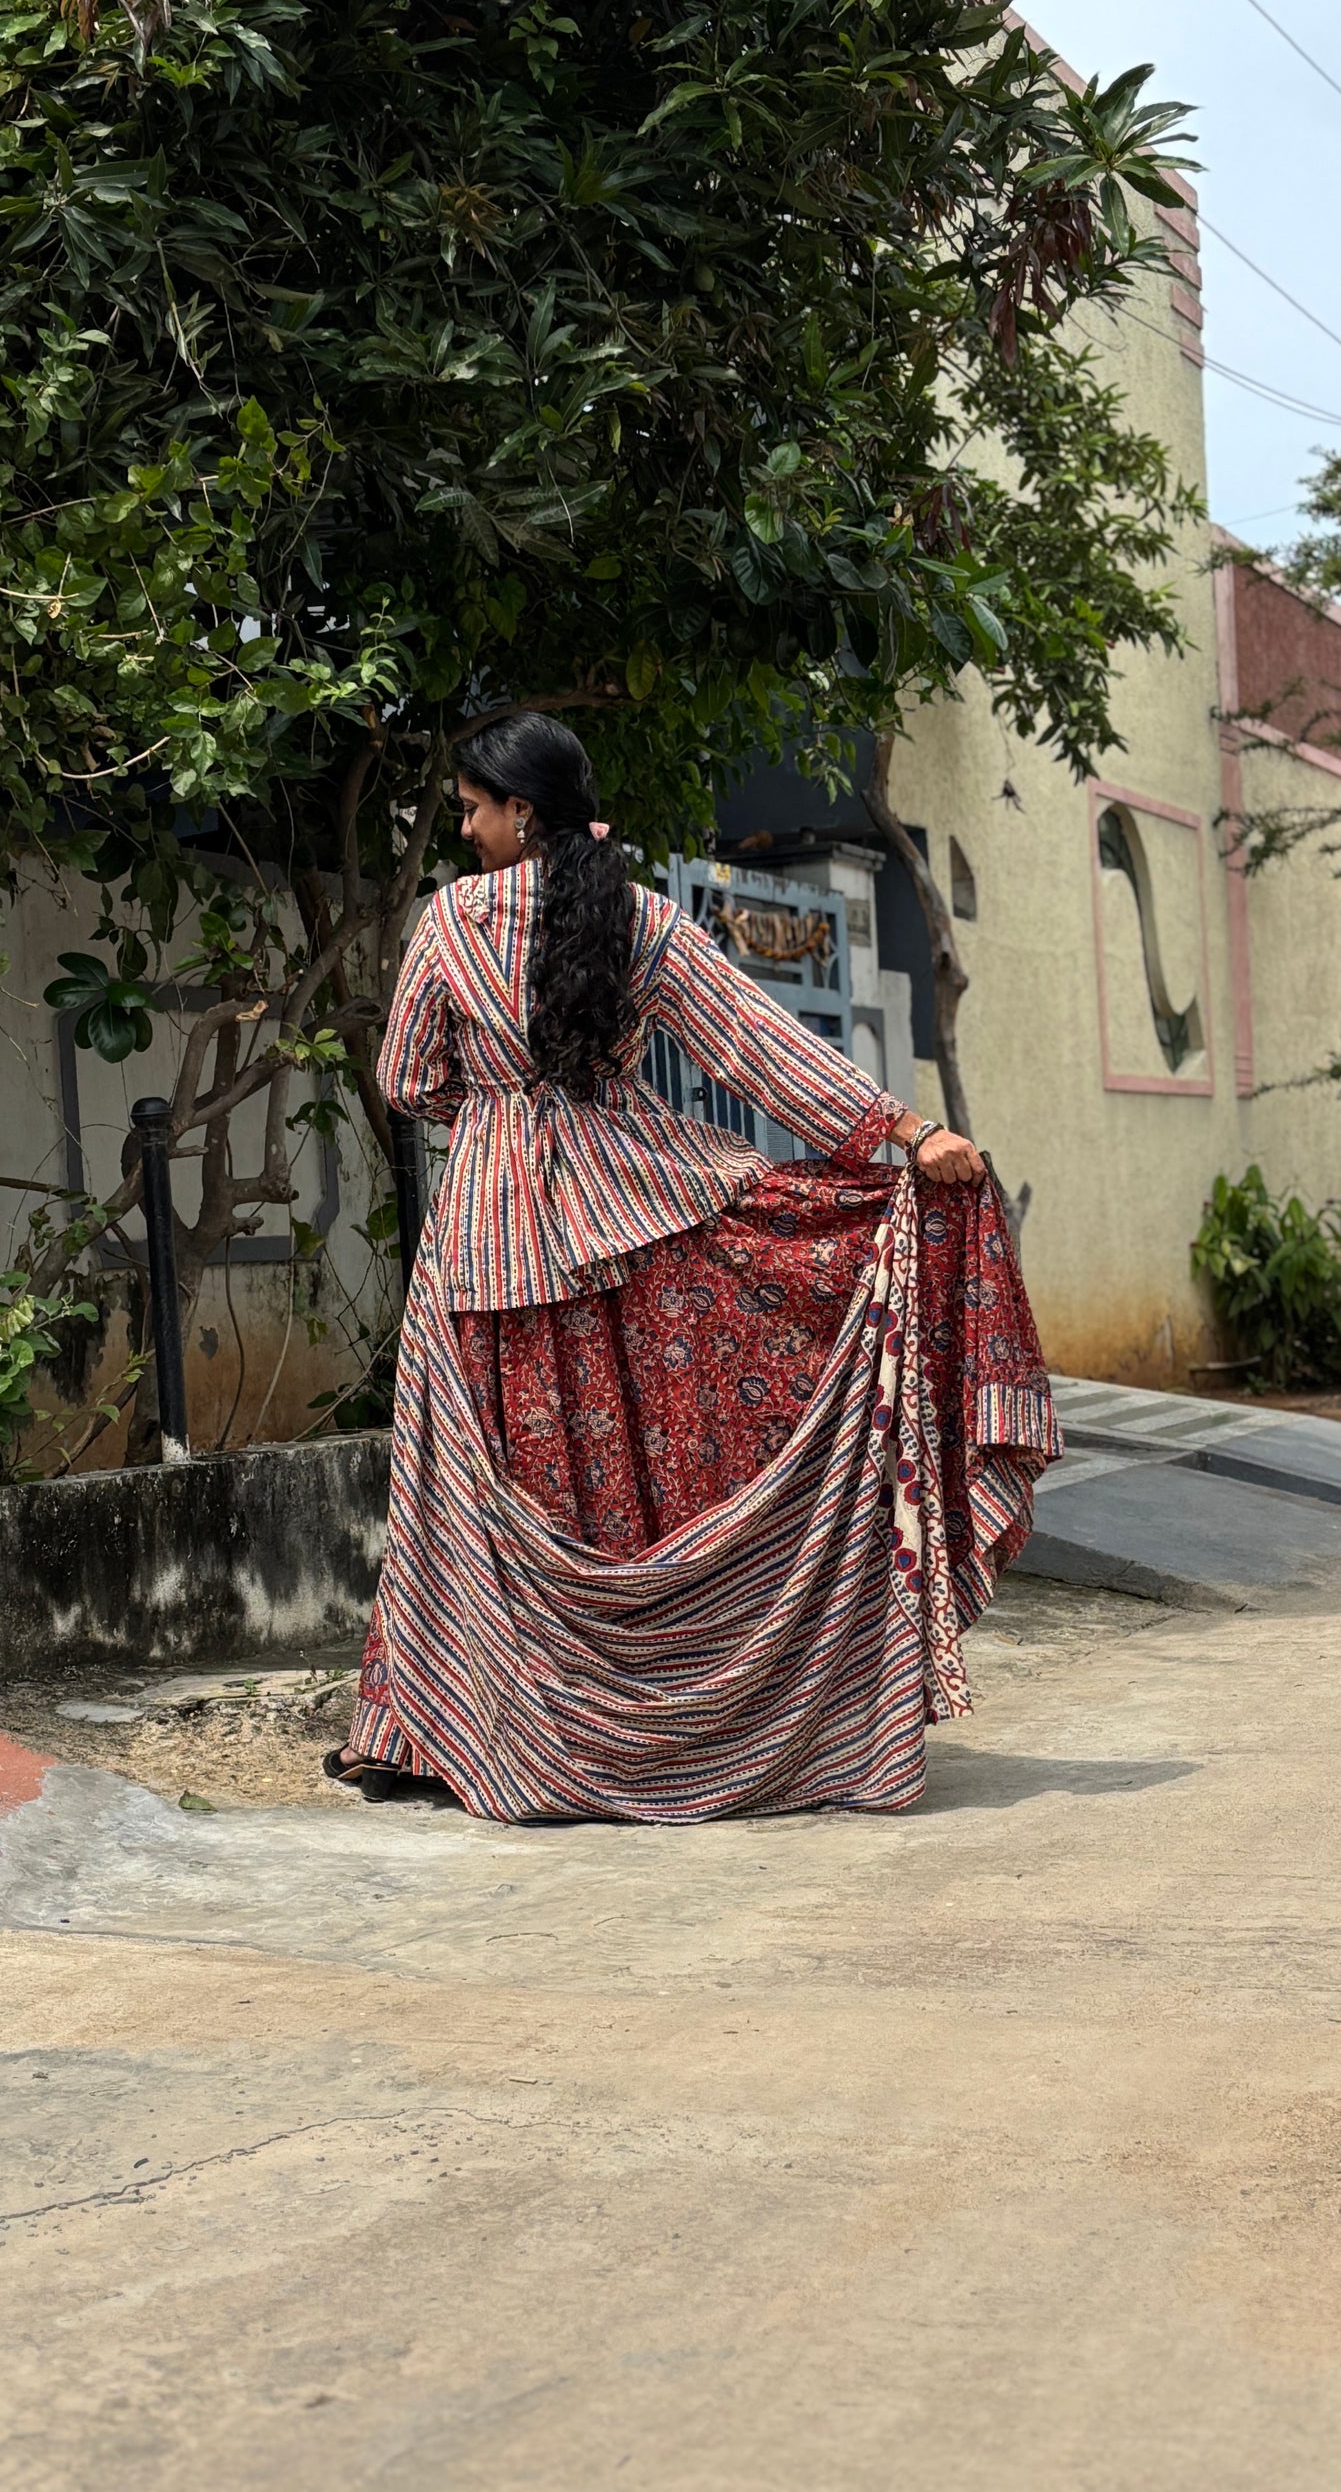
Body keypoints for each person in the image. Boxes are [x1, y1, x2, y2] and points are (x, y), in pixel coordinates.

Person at [326, 712, 1060, 1822]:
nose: (465, 828)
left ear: (522, 811)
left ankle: (441, 1733)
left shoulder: (446, 926)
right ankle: (704, 1715)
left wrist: (493, 1110)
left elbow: (403, 1078)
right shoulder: (641, 921)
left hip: (484, 1239)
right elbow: (763, 1051)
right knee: (630, 1476)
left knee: (467, 1490)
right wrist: (907, 1135)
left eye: (474, 808)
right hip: (635, 1208)